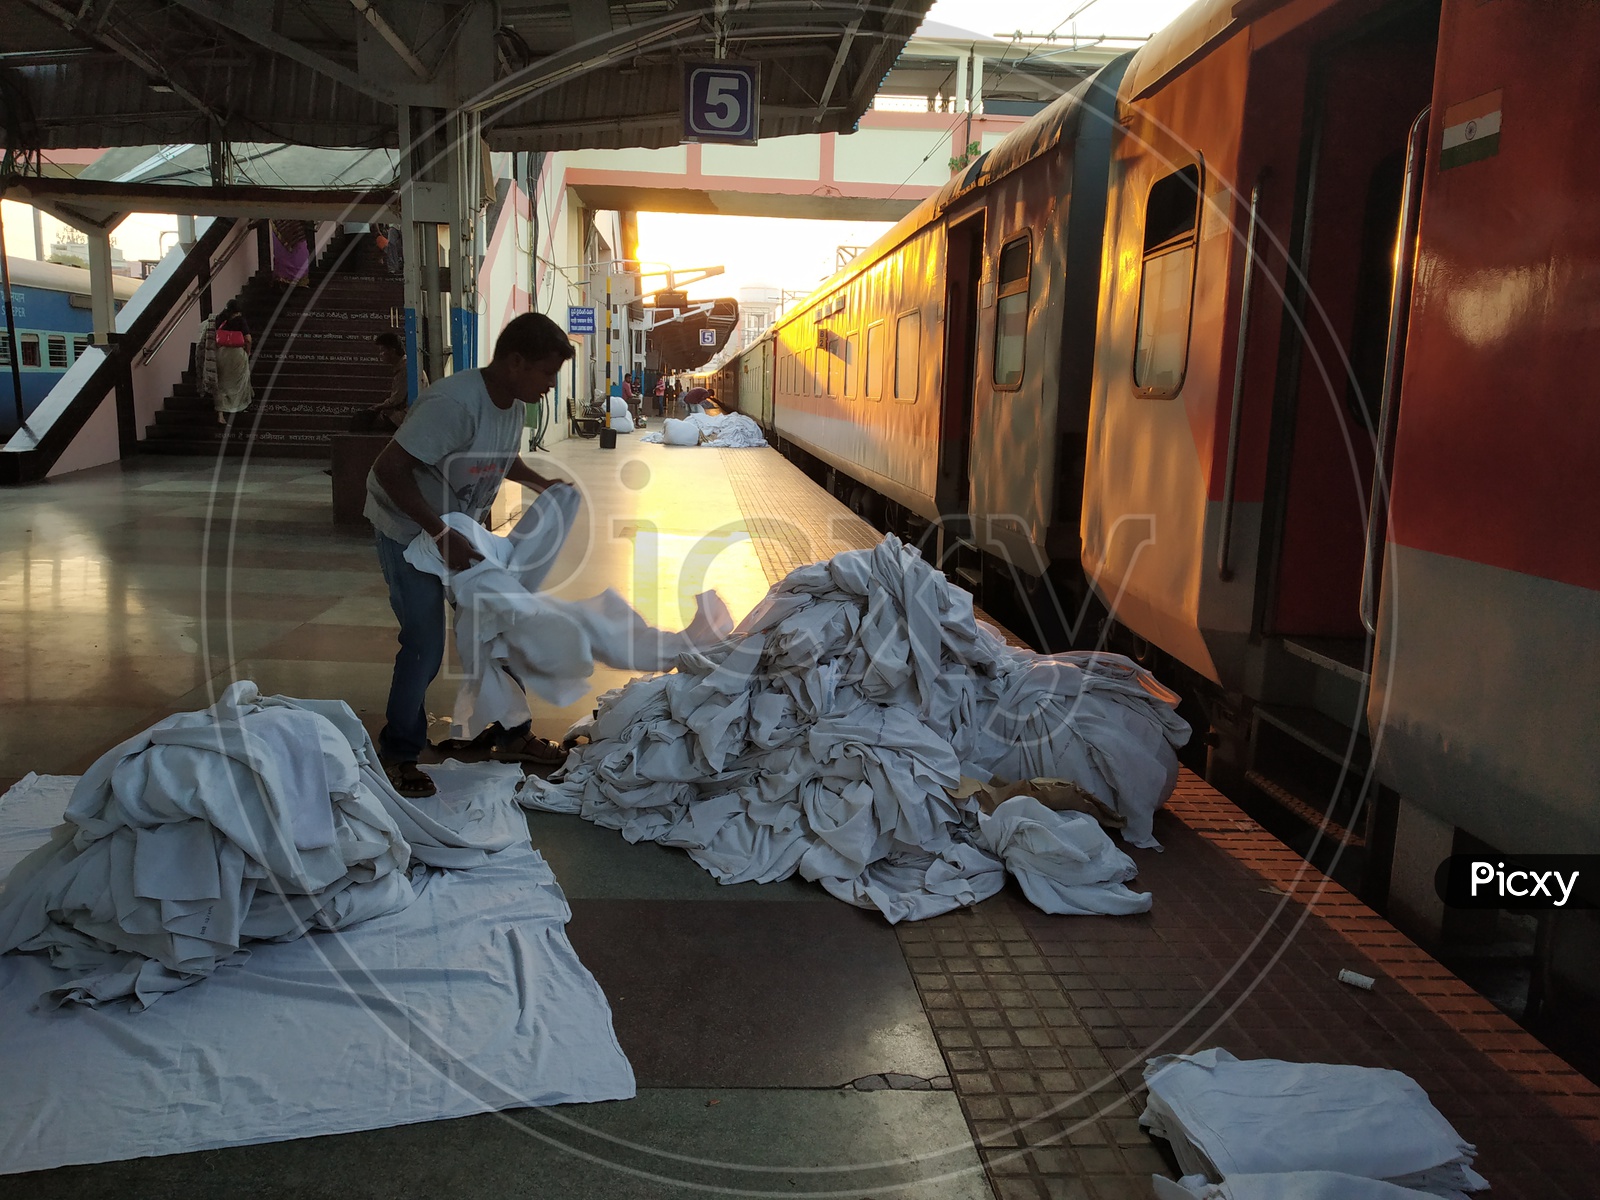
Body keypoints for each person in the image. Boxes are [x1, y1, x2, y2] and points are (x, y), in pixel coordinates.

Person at [364, 312, 575, 798]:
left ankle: (511, 733)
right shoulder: (453, 404)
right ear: (515, 362)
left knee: (502, 622)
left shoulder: (516, 402)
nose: (550, 384)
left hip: (458, 531)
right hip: (408, 530)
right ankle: (399, 752)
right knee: (424, 643)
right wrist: (439, 534)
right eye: (546, 372)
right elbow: (390, 469)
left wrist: (543, 484)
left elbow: (504, 458)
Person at [360, 331, 427, 432]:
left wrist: (378, 407)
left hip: (408, 415)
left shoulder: (406, 369)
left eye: (382, 350)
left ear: (392, 351)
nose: (380, 355)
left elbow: (397, 399)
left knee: (363, 421)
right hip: (410, 412)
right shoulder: (406, 365)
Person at [200, 299, 253, 425]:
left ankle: (220, 414)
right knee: (239, 382)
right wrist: (248, 352)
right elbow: (248, 339)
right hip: (236, 354)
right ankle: (238, 407)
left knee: (222, 383)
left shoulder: (219, 320)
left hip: (220, 353)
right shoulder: (240, 320)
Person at [271, 219, 312, 288]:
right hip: (282, 222)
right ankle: (285, 278)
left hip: (295, 226)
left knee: (299, 250)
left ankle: (291, 278)